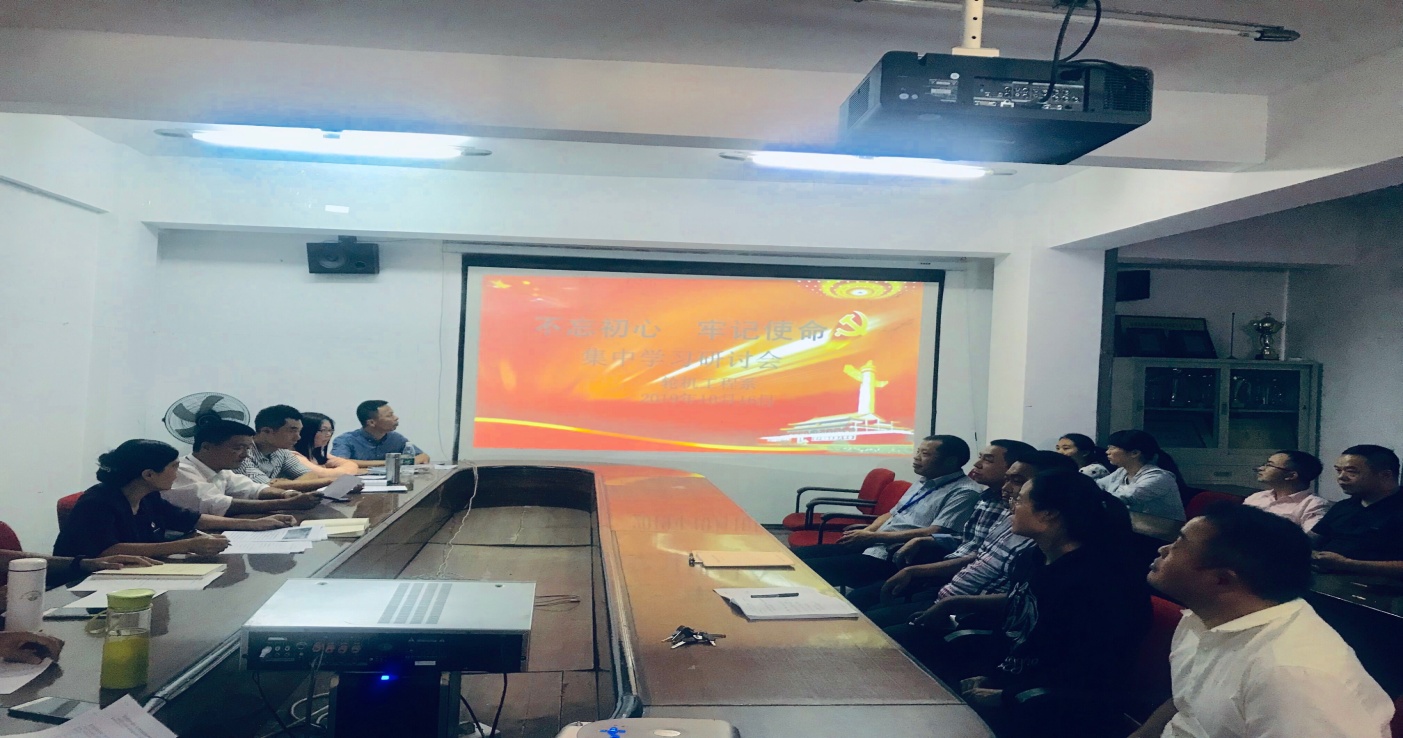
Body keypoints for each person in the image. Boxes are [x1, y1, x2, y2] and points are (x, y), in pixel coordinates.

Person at [1133, 503, 1392, 738]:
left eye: (1178, 545)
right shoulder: (1205, 617)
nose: (1163, 549)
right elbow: (1185, 703)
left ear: (1222, 579)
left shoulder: (1292, 677)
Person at [954, 471, 1149, 738]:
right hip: (1016, 686)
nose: (1011, 506)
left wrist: (1005, 695)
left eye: (1020, 500)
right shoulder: (1032, 557)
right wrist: (989, 675)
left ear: (1048, 514)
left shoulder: (1103, 582)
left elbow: (1087, 670)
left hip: (1056, 708)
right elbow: (1014, 629)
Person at [870, 450, 1075, 633]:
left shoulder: (1045, 546)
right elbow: (979, 555)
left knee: (874, 635)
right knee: (868, 618)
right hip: (949, 596)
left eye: (1018, 484)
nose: (1007, 489)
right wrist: (915, 571)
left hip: (969, 618)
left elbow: (1023, 602)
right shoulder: (1009, 518)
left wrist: (954, 604)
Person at [792, 435, 983, 589]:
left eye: (925, 454)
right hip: (873, 543)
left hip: (893, 555)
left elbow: (935, 532)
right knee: (794, 558)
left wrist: (873, 537)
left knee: (806, 571)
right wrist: (868, 532)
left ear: (950, 461)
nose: (916, 458)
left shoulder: (964, 492)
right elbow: (892, 514)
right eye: (918, 452)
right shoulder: (924, 481)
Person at [54, 440, 298, 559]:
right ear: (148, 474)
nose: (176, 473)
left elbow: (190, 518)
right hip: (83, 584)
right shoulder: (98, 502)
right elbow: (107, 550)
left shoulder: (148, 497)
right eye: (173, 467)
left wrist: (253, 524)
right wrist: (185, 545)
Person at [167, 420, 326, 516]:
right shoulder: (181, 471)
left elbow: (253, 489)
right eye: (238, 448)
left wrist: (286, 494)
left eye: (248, 448)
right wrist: (286, 503)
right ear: (206, 447)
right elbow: (217, 504)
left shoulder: (222, 471)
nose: (245, 455)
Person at [1311, 444, 1403, 577]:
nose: (1341, 477)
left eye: (1352, 472)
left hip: (1378, 585)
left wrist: (1347, 564)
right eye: (1338, 470)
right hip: (1325, 578)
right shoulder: (1344, 506)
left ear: (1385, 475)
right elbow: (1311, 540)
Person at [234, 406, 334, 492]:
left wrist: (285, 484)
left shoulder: (282, 451)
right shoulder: (241, 454)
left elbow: (311, 475)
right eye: (292, 431)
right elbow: (266, 488)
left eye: (299, 431)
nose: (298, 437)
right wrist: (329, 481)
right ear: (266, 431)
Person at [1097, 429, 1187, 521]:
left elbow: (1124, 498)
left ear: (1135, 453)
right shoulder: (1121, 472)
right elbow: (1097, 486)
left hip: (1159, 529)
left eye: (1112, 448)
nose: (1107, 452)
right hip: (1133, 526)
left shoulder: (1159, 478)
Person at [1242, 450, 1331, 532]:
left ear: (1291, 475)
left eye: (1269, 465)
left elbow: (1308, 539)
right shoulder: (1256, 497)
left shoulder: (1314, 505)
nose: (1260, 468)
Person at [332, 401, 429, 467]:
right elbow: (337, 462)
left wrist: (403, 462)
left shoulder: (396, 438)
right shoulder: (346, 440)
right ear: (371, 422)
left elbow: (423, 456)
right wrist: (389, 463)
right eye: (389, 415)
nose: (396, 418)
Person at [292, 412, 359, 476]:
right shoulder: (293, 456)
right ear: (307, 432)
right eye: (323, 430)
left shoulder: (317, 453)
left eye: (330, 430)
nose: (328, 434)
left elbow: (350, 464)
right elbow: (323, 474)